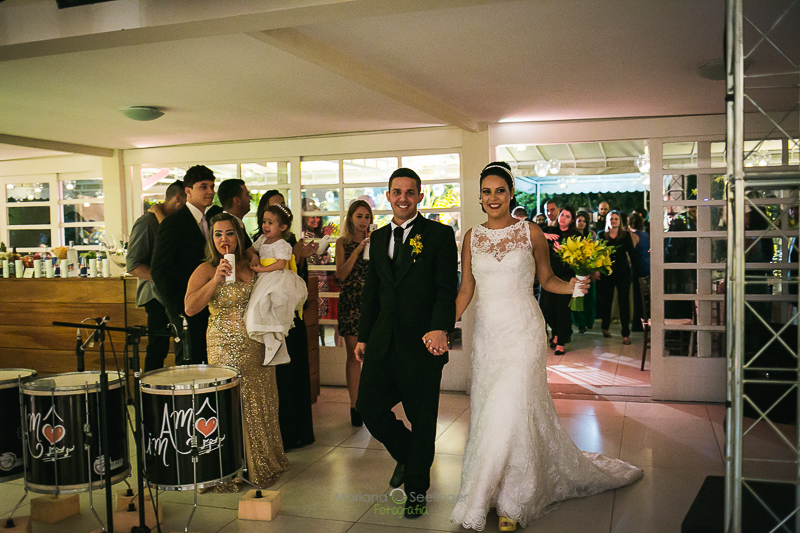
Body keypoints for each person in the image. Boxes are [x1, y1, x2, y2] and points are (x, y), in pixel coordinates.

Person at [449, 162, 641, 531]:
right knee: (492, 412)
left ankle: (514, 501)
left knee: (513, 407)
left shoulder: (531, 232)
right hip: (488, 337)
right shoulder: (471, 237)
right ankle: (489, 489)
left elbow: (547, 278)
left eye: (500, 191)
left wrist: (574, 286)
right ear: (480, 196)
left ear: (511, 194)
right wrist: (444, 324)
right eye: (487, 191)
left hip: (524, 331)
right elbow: (466, 289)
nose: (493, 198)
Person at [355, 168, 458, 519]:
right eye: (397, 192)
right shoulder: (378, 238)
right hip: (383, 341)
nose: (403, 198)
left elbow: (446, 288)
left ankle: (416, 491)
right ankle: (408, 455)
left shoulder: (439, 235)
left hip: (423, 344)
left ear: (420, 196)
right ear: (388, 196)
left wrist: (441, 328)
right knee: (368, 407)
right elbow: (372, 291)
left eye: (410, 192)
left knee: (422, 419)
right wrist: (364, 335)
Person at [184, 213, 289, 488]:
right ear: (211, 238)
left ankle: (263, 461)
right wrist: (215, 280)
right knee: (232, 402)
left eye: (229, 233)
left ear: (238, 236)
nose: (224, 240)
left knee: (261, 398)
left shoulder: (250, 262)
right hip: (224, 344)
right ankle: (232, 467)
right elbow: (190, 308)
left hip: (257, 342)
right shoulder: (206, 268)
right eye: (217, 234)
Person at [255, 190, 316, 450]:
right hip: (269, 309)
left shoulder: (287, 242)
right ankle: (283, 433)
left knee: (296, 370)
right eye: (273, 208)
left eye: (282, 207)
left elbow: (293, 272)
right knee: (278, 375)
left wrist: (300, 258)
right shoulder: (260, 241)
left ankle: (300, 431)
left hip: (289, 311)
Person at [151, 165, 216, 365]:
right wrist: (178, 310)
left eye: (212, 186)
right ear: (188, 191)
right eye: (203, 187)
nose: (210, 191)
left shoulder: (212, 219)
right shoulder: (173, 223)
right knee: (190, 361)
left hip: (210, 303)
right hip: (187, 305)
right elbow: (158, 270)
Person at [127, 180, 186, 371]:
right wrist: (163, 280)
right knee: (158, 348)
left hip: (175, 294)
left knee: (182, 344)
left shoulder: (174, 221)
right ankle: (150, 389)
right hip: (155, 296)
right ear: (178, 199)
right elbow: (133, 264)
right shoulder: (147, 223)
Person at [245, 204, 308, 365]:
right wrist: (254, 256)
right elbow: (249, 250)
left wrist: (262, 269)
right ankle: (272, 343)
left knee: (270, 311)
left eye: (270, 223)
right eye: (264, 221)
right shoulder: (262, 240)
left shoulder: (282, 244)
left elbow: (281, 264)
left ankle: (276, 343)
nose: (265, 225)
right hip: (263, 279)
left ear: (283, 227)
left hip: (276, 279)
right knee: (259, 310)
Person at [334, 199, 373, 427]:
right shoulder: (342, 243)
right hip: (350, 302)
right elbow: (341, 274)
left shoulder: (376, 241)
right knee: (353, 355)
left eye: (367, 217)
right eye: (359, 216)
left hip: (372, 303)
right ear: (351, 218)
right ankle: (355, 405)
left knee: (374, 356)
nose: (363, 221)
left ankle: (372, 404)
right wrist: (358, 250)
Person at [540, 206, 580, 354]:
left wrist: (565, 252)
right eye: (562, 215)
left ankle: (560, 343)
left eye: (567, 216)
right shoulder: (550, 230)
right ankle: (557, 332)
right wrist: (544, 235)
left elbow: (579, 259)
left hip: (566, 277)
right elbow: (531, 232)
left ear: (572, 220)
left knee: (562, 310)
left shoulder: (575, 236)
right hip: (549, 276)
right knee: (545, 308)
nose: (563, 218)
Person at [596, 210, 639, 345]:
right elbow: (597, 253)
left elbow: (632, 253)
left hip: (623, 272)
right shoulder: (601, 235)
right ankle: (605, 327)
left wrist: (637, 272)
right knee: (607, 301)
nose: (613, 221)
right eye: (611, 218)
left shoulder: (625, 236)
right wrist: (596, 270)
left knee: (623, 302)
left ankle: (625, 334)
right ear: (607, 221)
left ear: (619, 221)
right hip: (607, 272)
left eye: (616, 219)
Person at [302, 197, 335, 323]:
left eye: (318, 217)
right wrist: (325, 238)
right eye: (312, 217)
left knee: (319, 315)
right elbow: (316, 259)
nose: (316, 220)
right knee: (314, 314)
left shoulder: (315, 234)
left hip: (320, 278)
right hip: (314, 278)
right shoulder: (307, 235)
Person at [207, 178, 254, 248]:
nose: (250, 197)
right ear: (237, 201)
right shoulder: (226, 227)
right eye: (247, 194)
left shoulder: (237, 225)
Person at [572, 210, 597, 333]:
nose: (581, 223)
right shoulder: (571, 235)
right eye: (579, 220)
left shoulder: (591, 235)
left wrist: (594, 270)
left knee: (589, 298)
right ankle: (580, 323)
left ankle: (589, 321)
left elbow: (595, 252)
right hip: (575, 269)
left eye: (584, 221)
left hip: (588, 268)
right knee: (577, 297)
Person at [628, 212, 650, 333]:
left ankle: (638, 323)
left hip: (638, 266)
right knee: (645, 295)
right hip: (647, 264)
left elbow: (630, 253)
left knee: (638, 295)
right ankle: (647, 320)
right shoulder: (646, 234)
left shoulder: (633, 235)